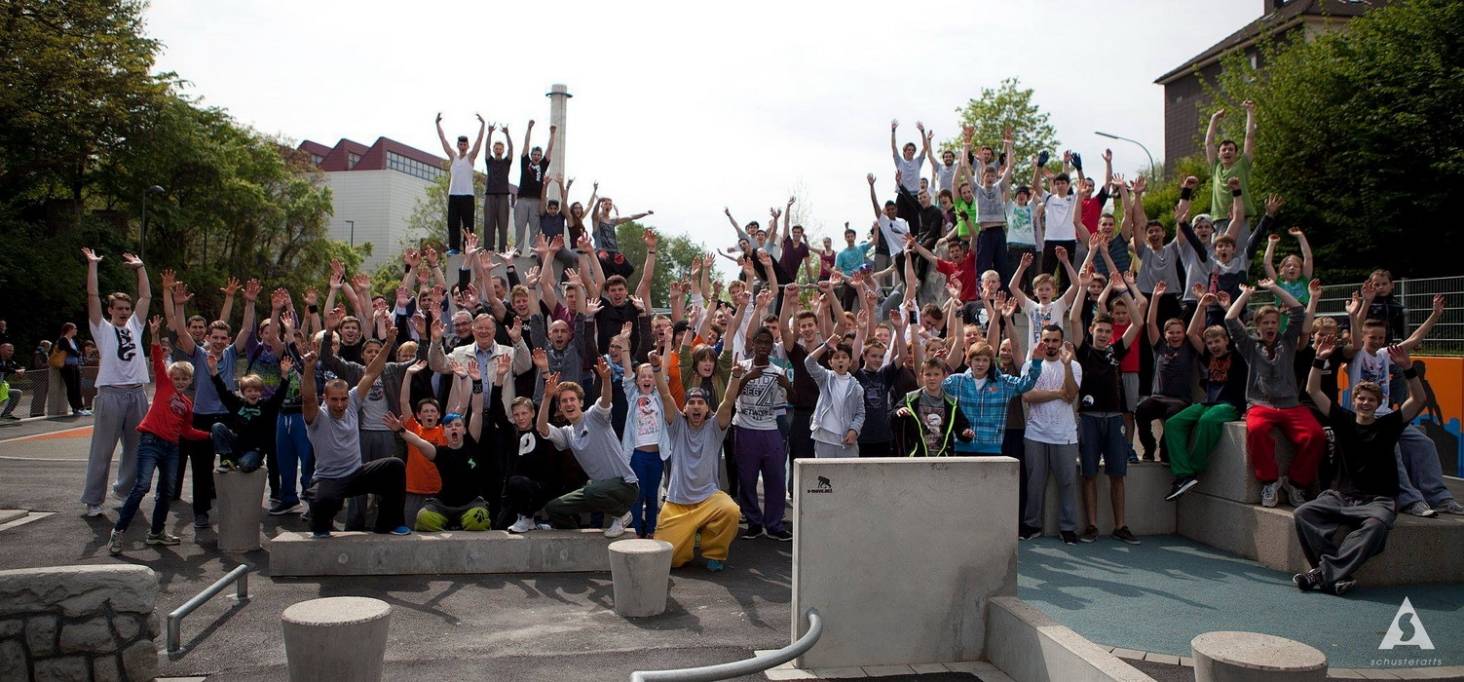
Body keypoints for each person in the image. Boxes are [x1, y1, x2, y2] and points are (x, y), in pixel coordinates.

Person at [1293, 341, 1424, 596]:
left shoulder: (1389, 425)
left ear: (1379, 403)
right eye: (1361, 398)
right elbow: (1313, 389)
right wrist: (1318, 359)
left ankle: (1321, 573)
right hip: (1340, 496)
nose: (1365, 403)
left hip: (1379, 500)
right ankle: (1336, 575)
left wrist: (1408, 368)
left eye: (1371, 400)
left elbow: (1418, 400)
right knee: (1303, 514)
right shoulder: (1342, 419)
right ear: (1353, 401)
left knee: (1376, 527)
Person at [1344, 292, 1461, 516]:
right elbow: (1355, 336)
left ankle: (1440, 497)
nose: (1377, 341)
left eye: (1381, 338)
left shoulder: (1384, 355)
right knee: (1392, 448)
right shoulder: (1356, 355)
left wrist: (1435, 315)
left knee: (1424, 444)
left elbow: (1414, 339)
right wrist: (1360, 308)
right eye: (1372, 337)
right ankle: (1410, 500)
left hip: (1388, 416)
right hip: (1366, 419)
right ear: (1363, 337)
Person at [108, 319, 211, 555]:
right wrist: (154, 336)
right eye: (178, 378)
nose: (181, 382)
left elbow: (187, 431)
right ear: (171, 378)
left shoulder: (187, 404)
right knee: (142, 485)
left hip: (171, 447)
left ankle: (157, 532)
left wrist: (210, 435)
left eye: (185, 379)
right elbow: (156, 359)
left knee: (166, 490)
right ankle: (119, 531)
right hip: (151, 442)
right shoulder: (164, 386)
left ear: (191, 380)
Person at [299, 326, 410, 538]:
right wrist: (309, 369)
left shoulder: (351, 402)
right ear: (325, 399)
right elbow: (308, 398)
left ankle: (389, 523)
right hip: (329, 479)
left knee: (394, 467)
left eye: (343, 399)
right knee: (322, 502)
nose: (340, 404)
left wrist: (388, 343)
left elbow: (371, 373)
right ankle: (321, 525)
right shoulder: (317, 417)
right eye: (334, 400)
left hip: (355, 474)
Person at [1226, 280, 1323, 508]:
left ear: (1278, 324)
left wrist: (1273, 288)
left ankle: (1296, 483)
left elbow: (1297, 310)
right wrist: (1245, 295)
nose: (1270, 326)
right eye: (1265, 323)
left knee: (1316, 435)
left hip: (1291, 404)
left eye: (1273, 322)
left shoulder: (1287, 342)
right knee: (1257, 430)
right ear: (1258, 326)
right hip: (1261, 404)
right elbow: (1230, 319)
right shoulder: (1250, 345)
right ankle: (1269, 481)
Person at [1070, 266, 1146, 545]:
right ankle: (1091, 526)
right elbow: (1073, 318)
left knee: (1117, 475)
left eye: (1107, 331)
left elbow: (1138, 322)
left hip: (1114, 419)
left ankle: (1120, 525)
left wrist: (1124, 291)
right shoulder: (1083, 350)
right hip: (1089, 418)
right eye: (1099, 330)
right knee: (1089, 474)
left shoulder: (1117, 349)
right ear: (1092, 330)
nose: (1103, 334)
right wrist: (1082, 287)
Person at [649, 350, 742, 571]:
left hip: (708, 499)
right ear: (685, 408)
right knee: (670, 561)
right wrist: (656, 369)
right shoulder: (676, 426)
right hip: (677, 503)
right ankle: (691, 536)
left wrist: (735, 376)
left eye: (701, 402)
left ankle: (714, 553)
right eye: (692, 402)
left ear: (708, 408)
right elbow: (665, 396)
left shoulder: (715, 428)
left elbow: (728, 401)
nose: (697, 406)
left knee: (731, 511)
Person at [388, 356, 498, 532]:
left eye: (457, 425)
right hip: (435, 499)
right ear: (445, 431)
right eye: (450, 426)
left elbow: (475, 410)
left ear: (464, 429)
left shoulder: (470, 442)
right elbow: (418, 441)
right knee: (423, 520)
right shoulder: (439, 451)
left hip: (468, 503)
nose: (453, 428)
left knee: (478, 519)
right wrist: (400, 430)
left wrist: (474, 381)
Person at [80, 247, 151, 518]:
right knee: (102, 449)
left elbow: (145, 296)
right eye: (119, 308)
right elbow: (92, 296)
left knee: (136, 448)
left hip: (136, 393)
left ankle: (124, 491)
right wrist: (93, 265)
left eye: (126, 308)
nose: (123, 312)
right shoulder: (102, 329)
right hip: (110, 393)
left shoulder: (135, 326)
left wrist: (140, 268)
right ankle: (93, 499)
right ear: (110, 310)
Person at [539, 358, 640, 537]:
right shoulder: (567, 433)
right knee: (554, 508)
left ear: (581, 403)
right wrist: (547, 397)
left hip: (625, 486)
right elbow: (542, 429)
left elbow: (605, 400)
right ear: (560, 408)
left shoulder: (594, 416)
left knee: (591, 488)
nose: (569, 404)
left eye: (572, 399)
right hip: (598, 491)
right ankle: (576, 540)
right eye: (564, 401)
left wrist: (606, 379)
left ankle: (622, 515)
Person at [1164, 293, 1249, 500]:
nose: (1213, 346)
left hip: (1229, 404)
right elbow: (1191, 333)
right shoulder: (1208, 356)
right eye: (1210, 343)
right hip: (1208, 402)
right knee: (1173, 423)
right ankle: (1183, 474)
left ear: (1226, 341)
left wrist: (1228, 307)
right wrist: (1201, 305)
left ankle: (1194, 468)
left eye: (1217, 341)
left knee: (1207, 421)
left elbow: (1242, 334)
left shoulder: (1238, 355)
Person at [731, 327, 793, 541]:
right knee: (747, 479)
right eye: (760, 342)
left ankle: (774, 524)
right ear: (753, 343)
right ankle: (754, 522)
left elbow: (792, 399)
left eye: (768, 343)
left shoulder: (778, 371)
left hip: (770, 428)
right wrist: (746, 378)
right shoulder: (741, 367)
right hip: (745, 428)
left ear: (772, 346)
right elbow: (729, 397)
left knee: (776, 478)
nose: (764, 346)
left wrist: (788, 386)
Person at [1021, 326, 1081, 543]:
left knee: (1067, 482)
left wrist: (1067, 366)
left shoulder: (1074, 366)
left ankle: (1068, 528)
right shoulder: (1030, 365)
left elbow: (1071, 395)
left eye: (1055, 340)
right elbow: (1028, 396)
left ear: (1061, 342)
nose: (1051, 345)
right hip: (1035, 434)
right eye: (1047, 340)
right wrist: (1057, 393)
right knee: (1034, 483)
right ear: (1041, 341)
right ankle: (1032, 525)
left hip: (1064, 435)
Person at [1133, 281, 1193, 463]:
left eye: (1178, 332)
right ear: (1165, 334)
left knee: (1172, 417)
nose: (1175, 336)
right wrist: (1155, 298)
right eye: (1171, 333)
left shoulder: (1188, 349)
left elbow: (1197, 328)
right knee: (1141, 410)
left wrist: (1201, 303)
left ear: (1184, 334)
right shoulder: (1160, 347)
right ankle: (1149, 447)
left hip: (1179, 400)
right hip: (1157, 398)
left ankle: (1165, 452)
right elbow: (1150, 323)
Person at [207, 354, 288, 474]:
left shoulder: (266, 406)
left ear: (260, 392)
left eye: (256, 391)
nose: (253, 393)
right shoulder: (238, 404)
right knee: (217, 426)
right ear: (243, 393)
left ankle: (252, 462)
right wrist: (214, 370)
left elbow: (279, 396)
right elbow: (223, 392)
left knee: (244, 465)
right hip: (237, 446)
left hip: (254, 450)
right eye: (249, 391)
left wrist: (284, 374)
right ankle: (227, 458)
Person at [804, 334, 865, 458]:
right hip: (824, 440)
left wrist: (854, 430)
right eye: (836, 357)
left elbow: (860, 413)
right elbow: (809, 363)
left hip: (846, 441)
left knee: (849, 470)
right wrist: (825, 346)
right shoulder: (825, 378)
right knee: (824, 471)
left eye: (844, 357)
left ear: (850, 362)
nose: (840, 360)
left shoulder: (856, 387)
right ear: (830, 362)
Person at [1203, 99, 1257, 233]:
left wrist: (1250, 111)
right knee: (1219, 246)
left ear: (1236, 153)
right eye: (1224, 150)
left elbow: (1249, 137)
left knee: (1239, 247)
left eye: (1230, 149)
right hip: (1219, 218)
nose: (1227, 152)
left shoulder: (1242, 165)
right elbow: (1209, 142)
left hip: (1241, 217)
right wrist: (1214, 118)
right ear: (1219, 154)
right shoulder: (1216, 167)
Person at [435, 112, 485, 256]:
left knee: (468, 225)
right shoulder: (453, 157)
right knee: (453, 223)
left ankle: (468, 248)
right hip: (454, 194)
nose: (463, 146)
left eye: (465, 144)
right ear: (458, 145)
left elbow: (479, 141)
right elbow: (443, 140)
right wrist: (437, 124)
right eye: (461, 144)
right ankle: (454, 248)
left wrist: (483, 124)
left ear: (467, 146)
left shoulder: (471, 157)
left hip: (467, 196)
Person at [514, 120, 559, 250]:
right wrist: (529, 129)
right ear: (531, 155)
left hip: (536, 200)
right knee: (520, 226)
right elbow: (526, 144)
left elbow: (549, 149)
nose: (537, 156)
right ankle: (518, 249)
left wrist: (552, 134)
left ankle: (533, 249)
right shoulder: (525, 162)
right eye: (534, 154)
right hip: (522, 199)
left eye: (539, 155)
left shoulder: (543, 165)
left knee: (535, 227)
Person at [483, 121, 514, 251]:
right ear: (494, 150)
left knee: (503, 224)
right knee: (488, 224)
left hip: (503, 196)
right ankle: (488, 249)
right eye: (496, 148)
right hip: (490, 196)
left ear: (503, 150)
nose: (498, 150)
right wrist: (489, 133)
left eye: (500, 148)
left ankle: (502, 249)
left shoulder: (506, 162)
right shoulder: (489, 161)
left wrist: (507, 134)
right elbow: (486, 149)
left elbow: (511, 150)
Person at [55, 323, 87, 415]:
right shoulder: (63, 340)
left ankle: (81, 407)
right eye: (75, 328)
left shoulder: (73, 340)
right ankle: (75, 408)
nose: (76, 330)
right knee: (71, 387)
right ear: (69, 329)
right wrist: (77, 353)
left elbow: (76, 351)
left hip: (75, 366)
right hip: (67, 366)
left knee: (77, 387)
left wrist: (78, 354)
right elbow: (69, 350)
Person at [0, 343, 23, 419]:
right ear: (1, 350)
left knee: (17, 393)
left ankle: (6, 414)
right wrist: (15, 371)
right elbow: (2, 368)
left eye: (12, 351)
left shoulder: (9, 361)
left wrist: (21, 371)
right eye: (9, 350)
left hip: (1, 388)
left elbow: (19, 367)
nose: (11, 352)